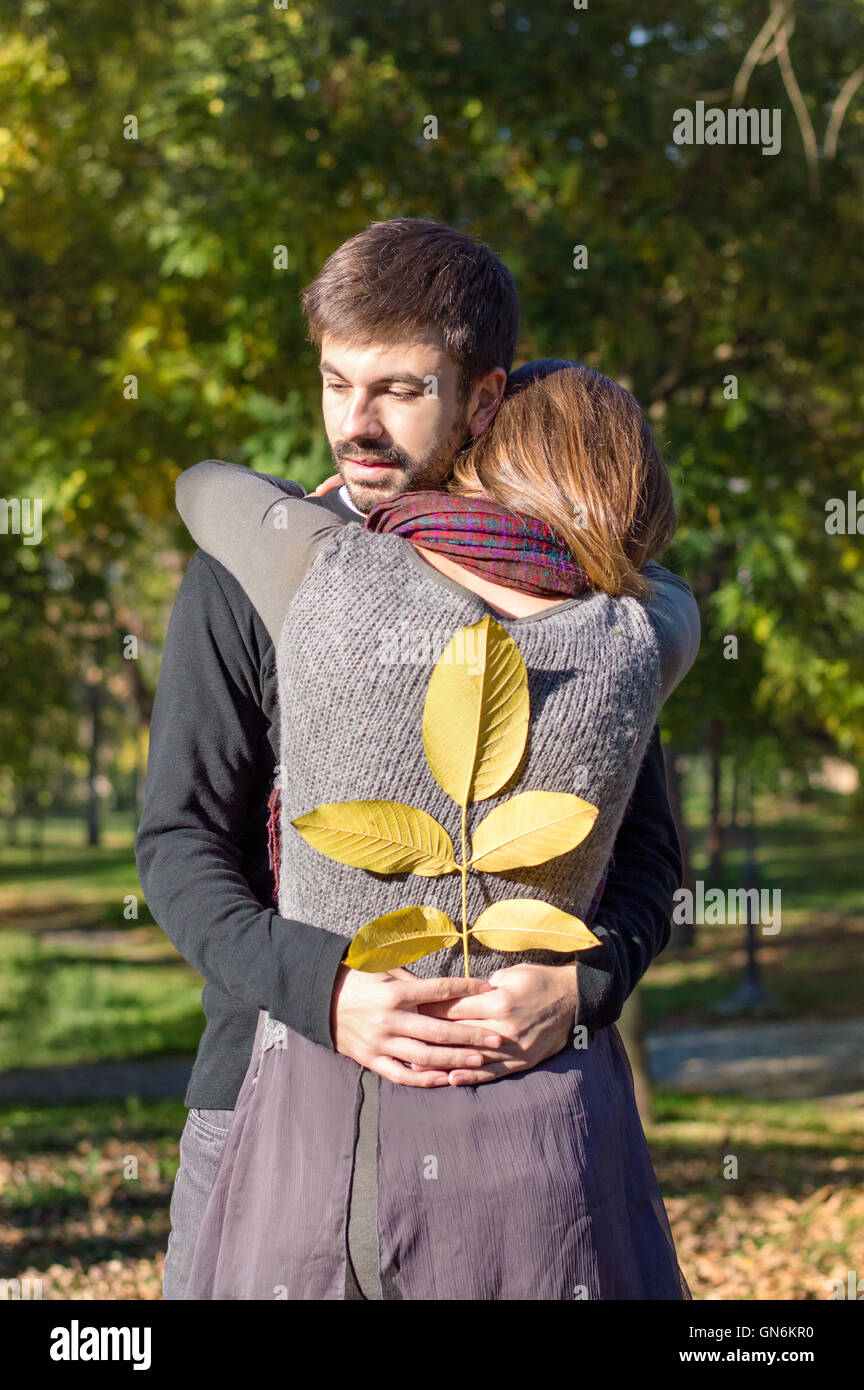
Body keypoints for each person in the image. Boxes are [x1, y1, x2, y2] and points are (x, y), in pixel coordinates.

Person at [134, 217, 692, 1300]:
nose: (358, 423)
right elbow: (179, 845)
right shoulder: (248, 577)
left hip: (520, 1112)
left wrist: (582, 984)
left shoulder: (581, 599)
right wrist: (326, 988)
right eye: (337, 382)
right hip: (264, 1079)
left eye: (400, 389)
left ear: (482, 399)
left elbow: (646, 860)